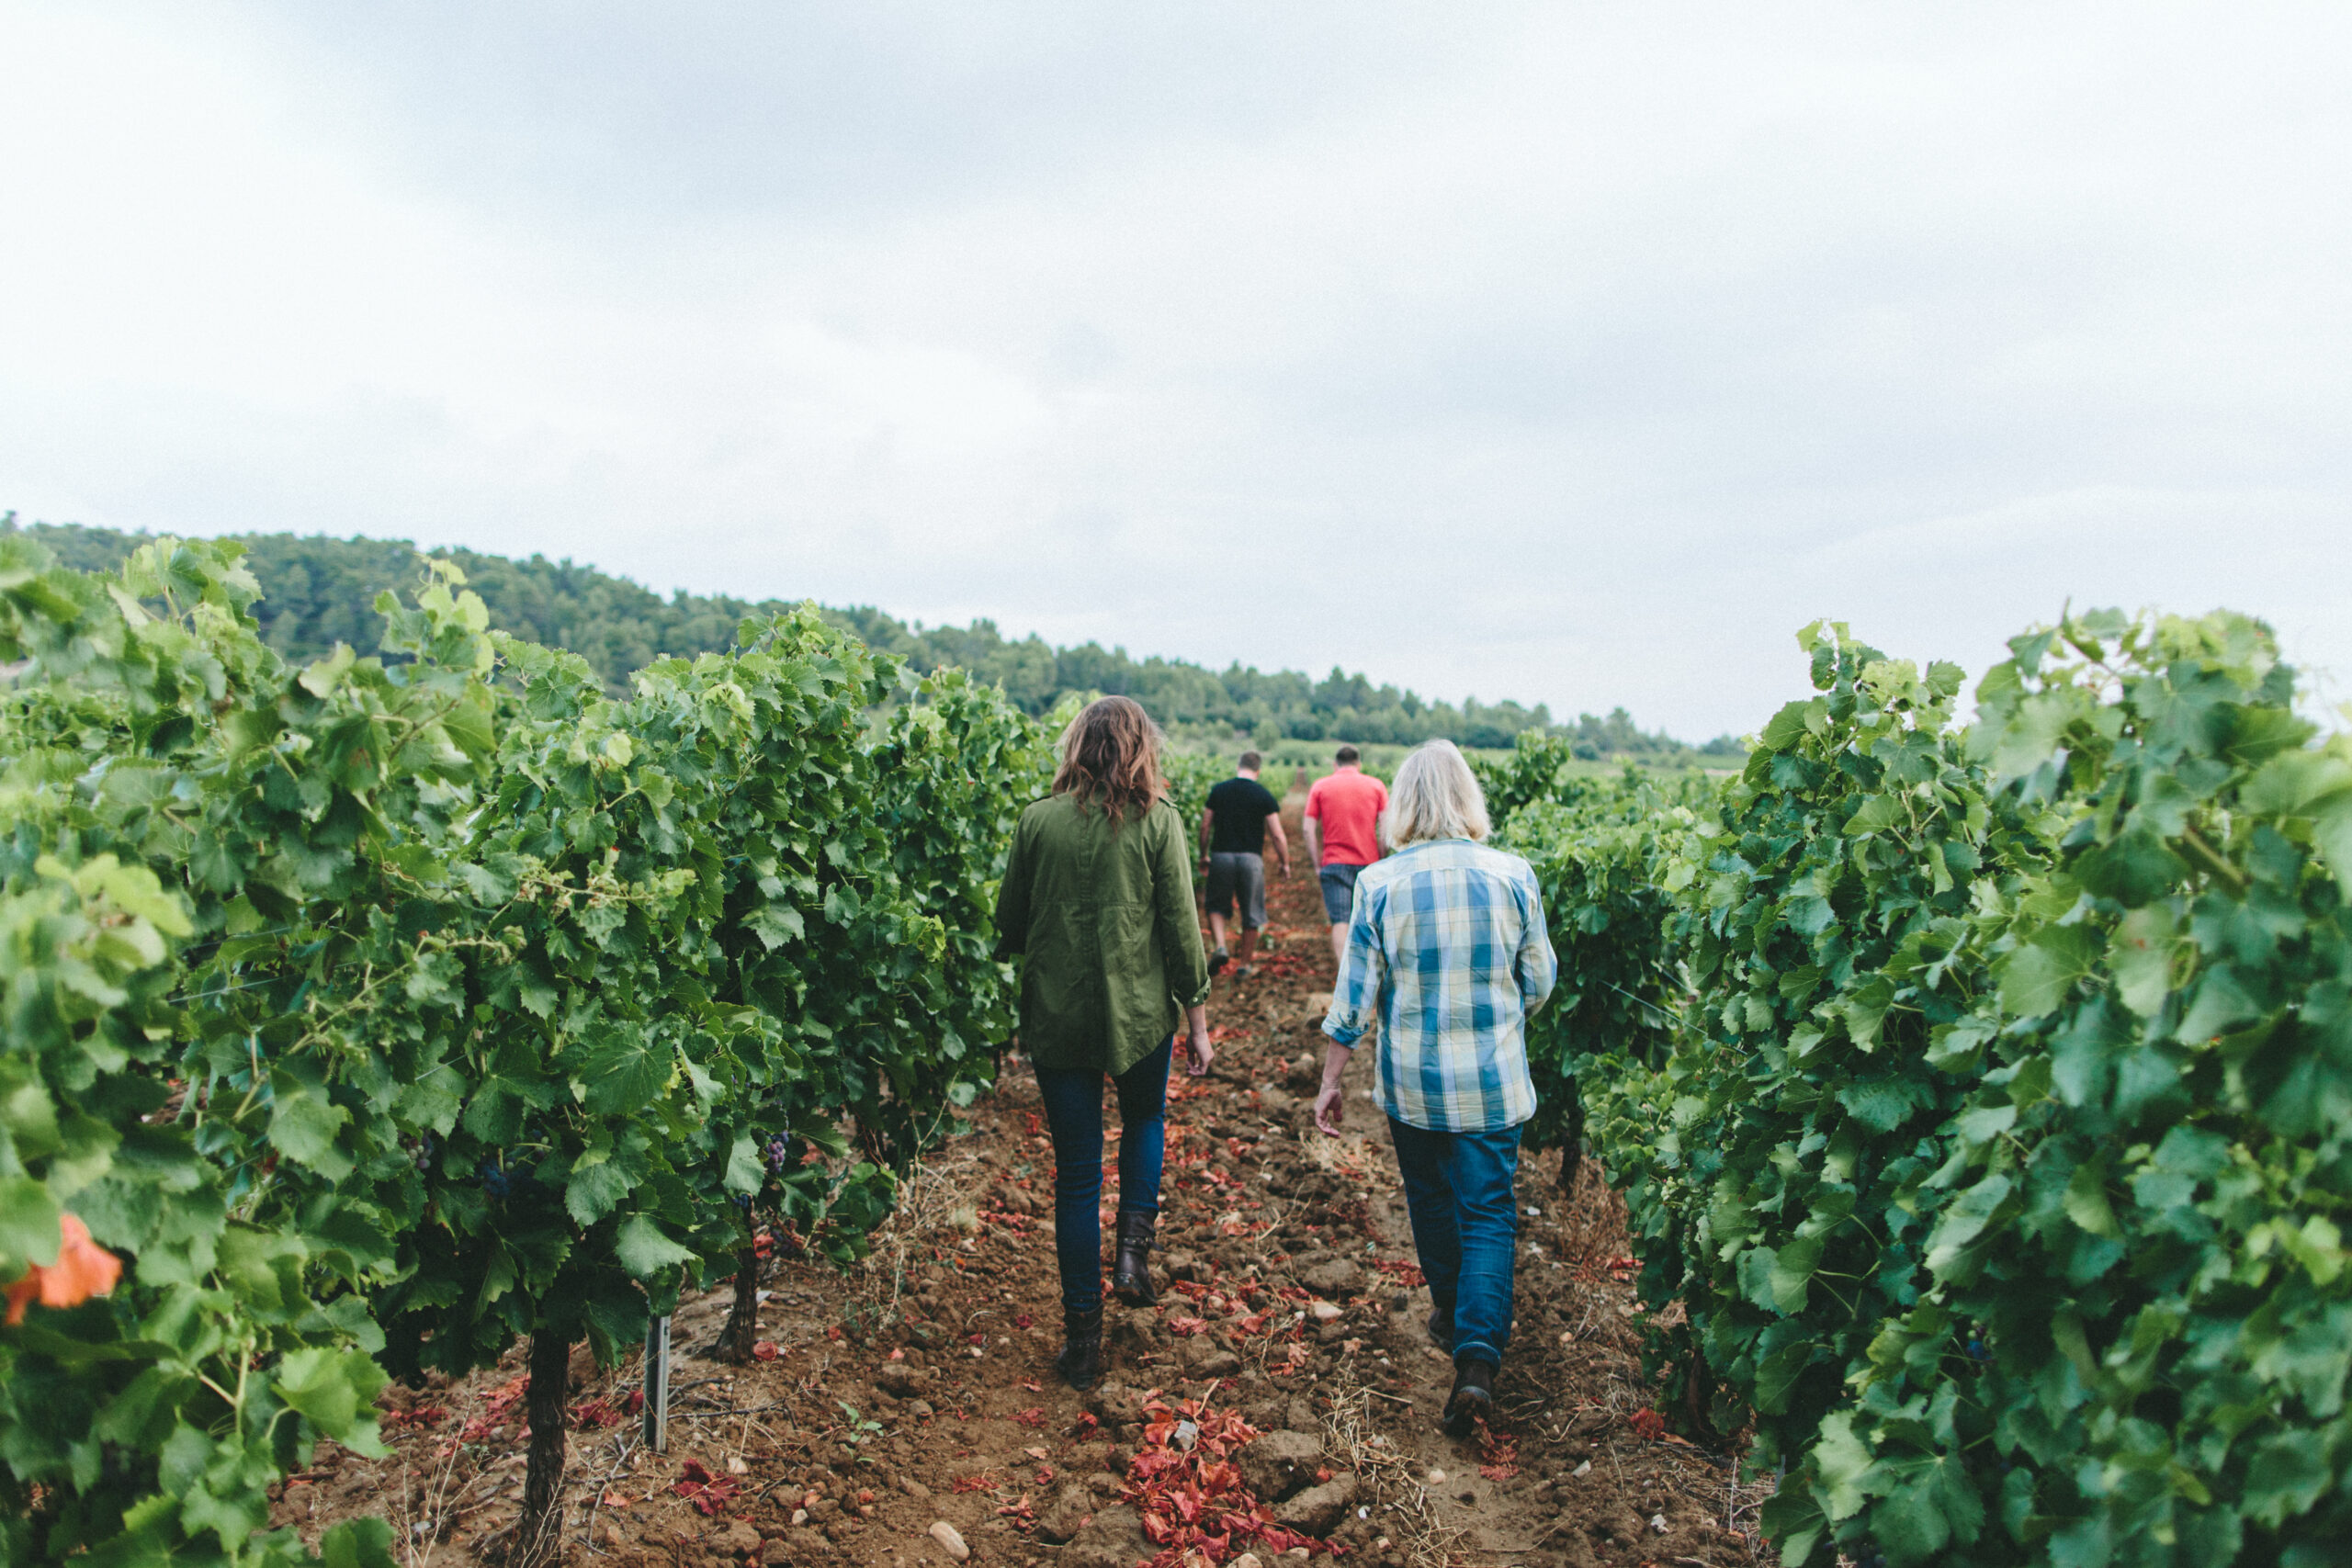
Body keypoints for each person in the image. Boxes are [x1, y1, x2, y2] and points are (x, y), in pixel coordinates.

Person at [1312, 739, 1556, 1436]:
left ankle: (1452, 1318)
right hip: (1493, 1081)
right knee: (1486, 1212)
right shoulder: (1514, 875)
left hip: (1413, 1085)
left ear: (1406, 804)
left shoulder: (1380, 884)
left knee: (1431, 1204)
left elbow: (1354, 997)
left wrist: (1331, 1081)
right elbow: (1538, 980)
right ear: (1468, 800)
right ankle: (1477, 1360)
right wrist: (1500, 1017)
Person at [993, 696, 1215, 1392]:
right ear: (1140, 747)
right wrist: (1200, 1020)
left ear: (1077, 746)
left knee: (1077, 1175)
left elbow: (1010, 924)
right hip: (1142, 1014)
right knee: (1146, 1119)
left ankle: (1083, 1341)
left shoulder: (1037, 821)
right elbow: (1181, 928)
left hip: (1058, 1018)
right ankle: (1132, 1257)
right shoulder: (1159, 821)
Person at [1200, 750, 1292, 978]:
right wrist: (1285, 862)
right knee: (1252, 911)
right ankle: (1244, 965)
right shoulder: (1263, 794)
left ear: (1237, 767)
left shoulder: (1219, 790)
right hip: (1251, 859)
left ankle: (1220, 946)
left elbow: (1205, 825)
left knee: (1215, 906)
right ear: (1257, 771)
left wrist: (1204, 855)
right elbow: (1277, 835)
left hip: (1221, 856)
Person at [1302, 744, 1389, 965]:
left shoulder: (1321, 786)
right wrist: (1382, 858)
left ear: (1335, 764)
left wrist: (1317, 863)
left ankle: (1344, 975)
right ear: (1359, 764)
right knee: (1370, 921)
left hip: (1335, 863)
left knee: (1340, 920)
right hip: (1369, 864)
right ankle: (1370, 972)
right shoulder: (1376, 786)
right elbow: (1385, 828)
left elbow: (1307, 829)